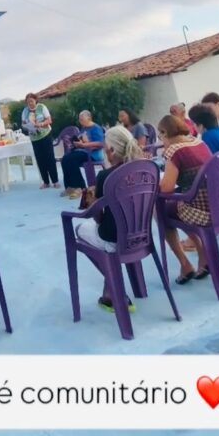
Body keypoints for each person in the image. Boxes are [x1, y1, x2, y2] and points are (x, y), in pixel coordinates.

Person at [74, 125, 144, 312]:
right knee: (109, 233)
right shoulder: (145, 170)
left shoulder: (106, 176)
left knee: (79, 229)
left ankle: (116, 289)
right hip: (141, 235)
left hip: (115, 238)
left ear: (111, 150)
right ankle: (110, 293)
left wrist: (91, 204)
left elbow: (98, 216)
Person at [158, 114, 212, 284]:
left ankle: (185, 264)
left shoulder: (174, 151)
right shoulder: (198, 142)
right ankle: (202, 255)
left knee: (161, 213)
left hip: (200, 210)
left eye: (161, 136)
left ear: (165, 132)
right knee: (173, 208)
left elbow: (166, 189)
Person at [60, 111, 105, 198]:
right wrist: (76, 143)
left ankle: (80, 187)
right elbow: (82, 140)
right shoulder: (84, 128)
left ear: (89, 118)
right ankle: (70, 186)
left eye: (82, 119)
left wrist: (85, 145)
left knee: (72, 159)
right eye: (80, 119)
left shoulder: (96, 128)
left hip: (93, 154)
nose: (80, 121)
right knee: (65, 159)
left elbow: (100, 143)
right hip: (83, 151)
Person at [21, 93, 59, 189]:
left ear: (35, 100)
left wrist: (41, 124)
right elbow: (23, 124)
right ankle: (46, 182)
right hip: (34, 138)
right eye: (28, 102)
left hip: (45, 135)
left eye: (32, 101)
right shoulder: (25, 111)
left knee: (50, 158)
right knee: (40, 159)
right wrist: (27, 127)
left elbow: (49, 120)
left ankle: (55, 181)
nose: (30, 103)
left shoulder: (42, 107)